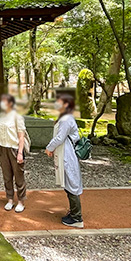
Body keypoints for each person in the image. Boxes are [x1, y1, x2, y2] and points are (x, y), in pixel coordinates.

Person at [45, 94, 84, 228]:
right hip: (65, 153)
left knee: (71, 184)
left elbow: (60, 138)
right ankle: (73, 212)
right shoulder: (65, 117)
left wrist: (49, 148)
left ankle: (77, 217)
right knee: (69, 184)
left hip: (67, 155)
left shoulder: (66, 119)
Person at [0, 93, 27, 212]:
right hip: (4, 147)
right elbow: (0, 133)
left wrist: (20, 152)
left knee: (19, 176)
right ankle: (10, 199)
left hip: (14, 148)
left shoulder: (17, 116)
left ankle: (21, 201)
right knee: (7, 176)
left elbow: (21, 136)